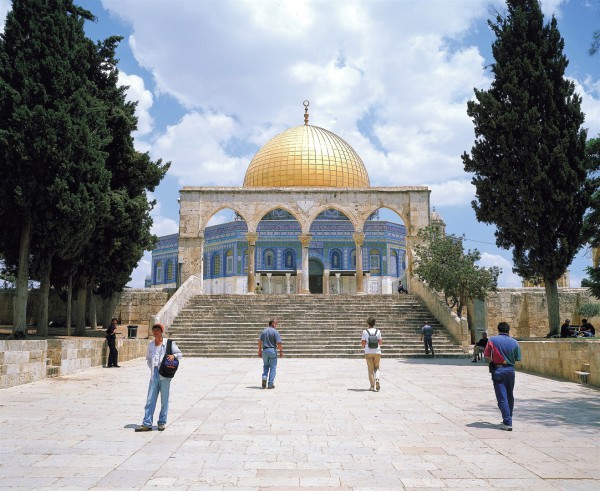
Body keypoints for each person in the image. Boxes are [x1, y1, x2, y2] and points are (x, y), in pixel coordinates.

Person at [135, 323, 183, 432]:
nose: (155, 332)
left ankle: (162, 422)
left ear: (162, 332)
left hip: (165, 375)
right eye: (154, 330)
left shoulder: (168, 343)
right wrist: (153, 369)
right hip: (154, 374)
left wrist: (173, 356)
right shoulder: (151, 345)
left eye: (158, 330)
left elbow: (180, 354)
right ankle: (147, 423)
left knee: (164, 400)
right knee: (150, 399)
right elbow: (148, 359)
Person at [484, 322, 522, 431]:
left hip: (498, 370)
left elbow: (486, 355)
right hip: (510, 370)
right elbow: (518, 358)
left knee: (502, 397)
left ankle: (507, 422)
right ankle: (508, 418)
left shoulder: (492, 340)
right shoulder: (515, 342)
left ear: (498, 330)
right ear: (508, 330)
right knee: (510, 395)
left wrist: (493, 360)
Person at [258, 318, 283, 389]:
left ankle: (264, 376)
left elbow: (260, 341)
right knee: (273, 368)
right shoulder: (275, 332)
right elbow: (279, 343)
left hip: (265, 351)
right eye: (276, 323)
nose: (276, 325)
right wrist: (281, 351)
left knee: (265, 365)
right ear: (272, 324)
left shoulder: (264, 331)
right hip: (272, 351)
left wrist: (259, 350)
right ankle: (270, 384)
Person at [361, 316, 382, 391]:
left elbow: (363, 343)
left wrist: (365, 345)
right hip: (377, 351)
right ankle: (377, 379)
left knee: (370, 369)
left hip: (368, 352)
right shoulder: (378, 331)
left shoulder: (365, 332)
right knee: (377, 367)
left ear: (368, 323)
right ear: (374, 323)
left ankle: (372, 386)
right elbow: (380, 342)